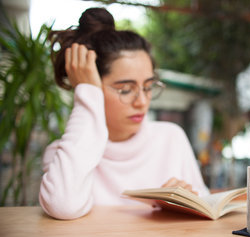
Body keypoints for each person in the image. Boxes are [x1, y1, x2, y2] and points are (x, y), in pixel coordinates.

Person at [39, 7, 209, 220]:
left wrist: (185, 202)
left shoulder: (171, 138)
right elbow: (62, 206)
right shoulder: (64, 156)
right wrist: (86, 93)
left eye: (148, 87)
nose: (142, 101)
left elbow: (206, 203)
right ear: (92, 88)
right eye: (125, 89)